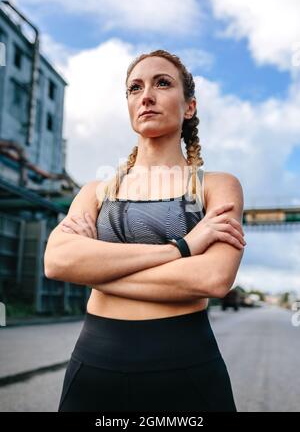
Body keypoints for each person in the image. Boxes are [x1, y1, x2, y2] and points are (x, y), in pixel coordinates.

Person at [44, 49, 246, 412]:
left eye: (162, 83)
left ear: (189, 107)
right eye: (134, 88)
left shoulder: (217, 186)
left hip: (187, 369)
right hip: (94, 367)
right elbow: (57, 262)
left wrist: (95, 272)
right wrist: (181, 248)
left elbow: (213, 279)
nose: (146, 96)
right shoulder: (96, 191)